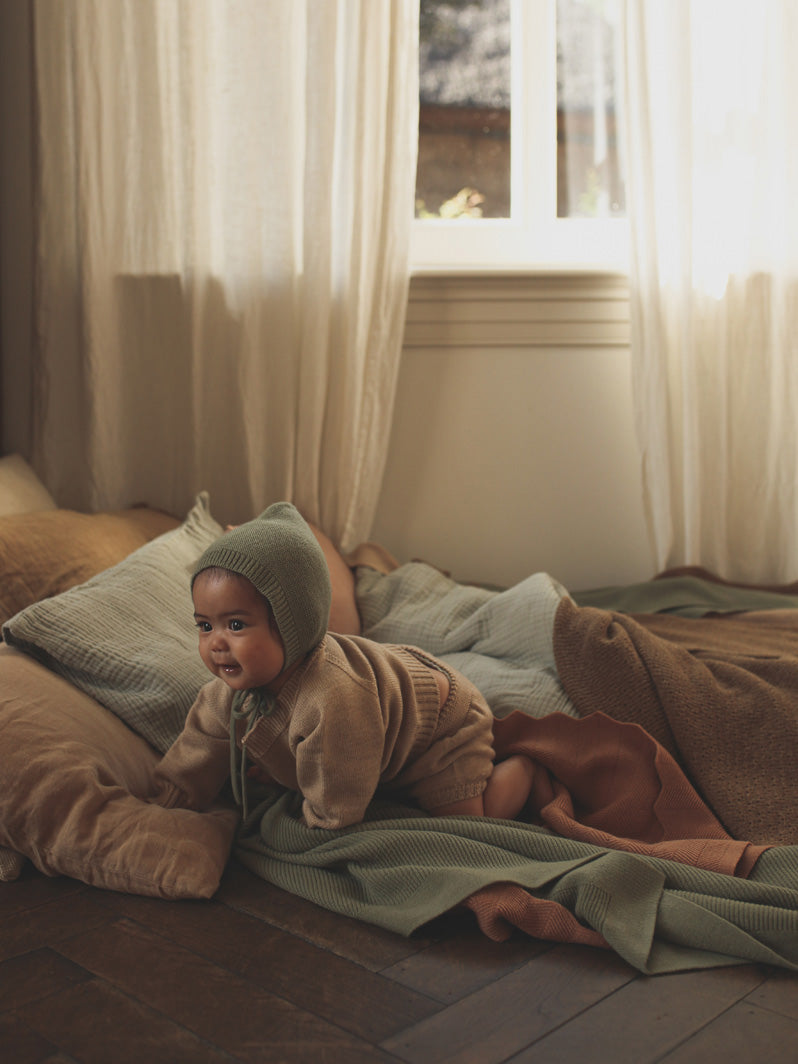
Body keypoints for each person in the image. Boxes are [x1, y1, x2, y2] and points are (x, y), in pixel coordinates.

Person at [150, 502, 536, 828]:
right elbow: (195, 756)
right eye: (204, 625)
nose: (216, 642)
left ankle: (524, 770)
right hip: (377, 732)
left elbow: (337, 812)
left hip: (441, 729)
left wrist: (314, 825)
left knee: (463, 829)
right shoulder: (222, 698)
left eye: (235, 625)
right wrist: (164, 804)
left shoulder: (333, 696)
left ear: (292, 622)